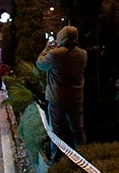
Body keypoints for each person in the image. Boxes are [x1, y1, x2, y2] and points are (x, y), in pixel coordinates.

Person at [36, 26, 87, 164]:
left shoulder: (55, 54)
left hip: (57, 98)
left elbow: (41, 64)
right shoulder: (83, 54)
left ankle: (55, 159)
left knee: (56, 131)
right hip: (76, 97)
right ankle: (83, 158)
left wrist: (47, 48)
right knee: (78, 130)